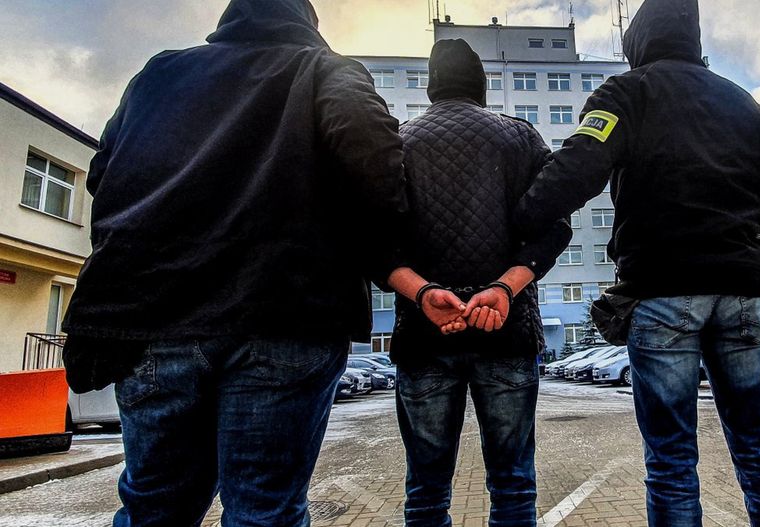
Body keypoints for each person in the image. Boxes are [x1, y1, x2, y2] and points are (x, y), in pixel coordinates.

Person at [60, 1, 407, 525]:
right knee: (263, 508)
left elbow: (103, 175)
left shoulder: (159, 73)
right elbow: (379, 171)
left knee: (154, 505)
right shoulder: (325, 69)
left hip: (152, 314)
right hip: (286, 310)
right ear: (306, 21)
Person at [512, 0, 760, 525]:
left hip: (663, 292)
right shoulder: (748, 109)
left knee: (671, 464)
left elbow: (578, 167)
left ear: (639, 41)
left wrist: (522, 217)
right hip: (744, 296)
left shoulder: (628, 92)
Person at [381, 39, 572, 527]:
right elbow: (555, 226)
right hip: (506, 332)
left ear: (431, 86)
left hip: (424, 336)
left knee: (426, 490)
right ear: (481, 85)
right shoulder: (520, 137)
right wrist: (504, 288)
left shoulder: (398, 142)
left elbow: (375, 243)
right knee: (513, 485)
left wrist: (424, 294)